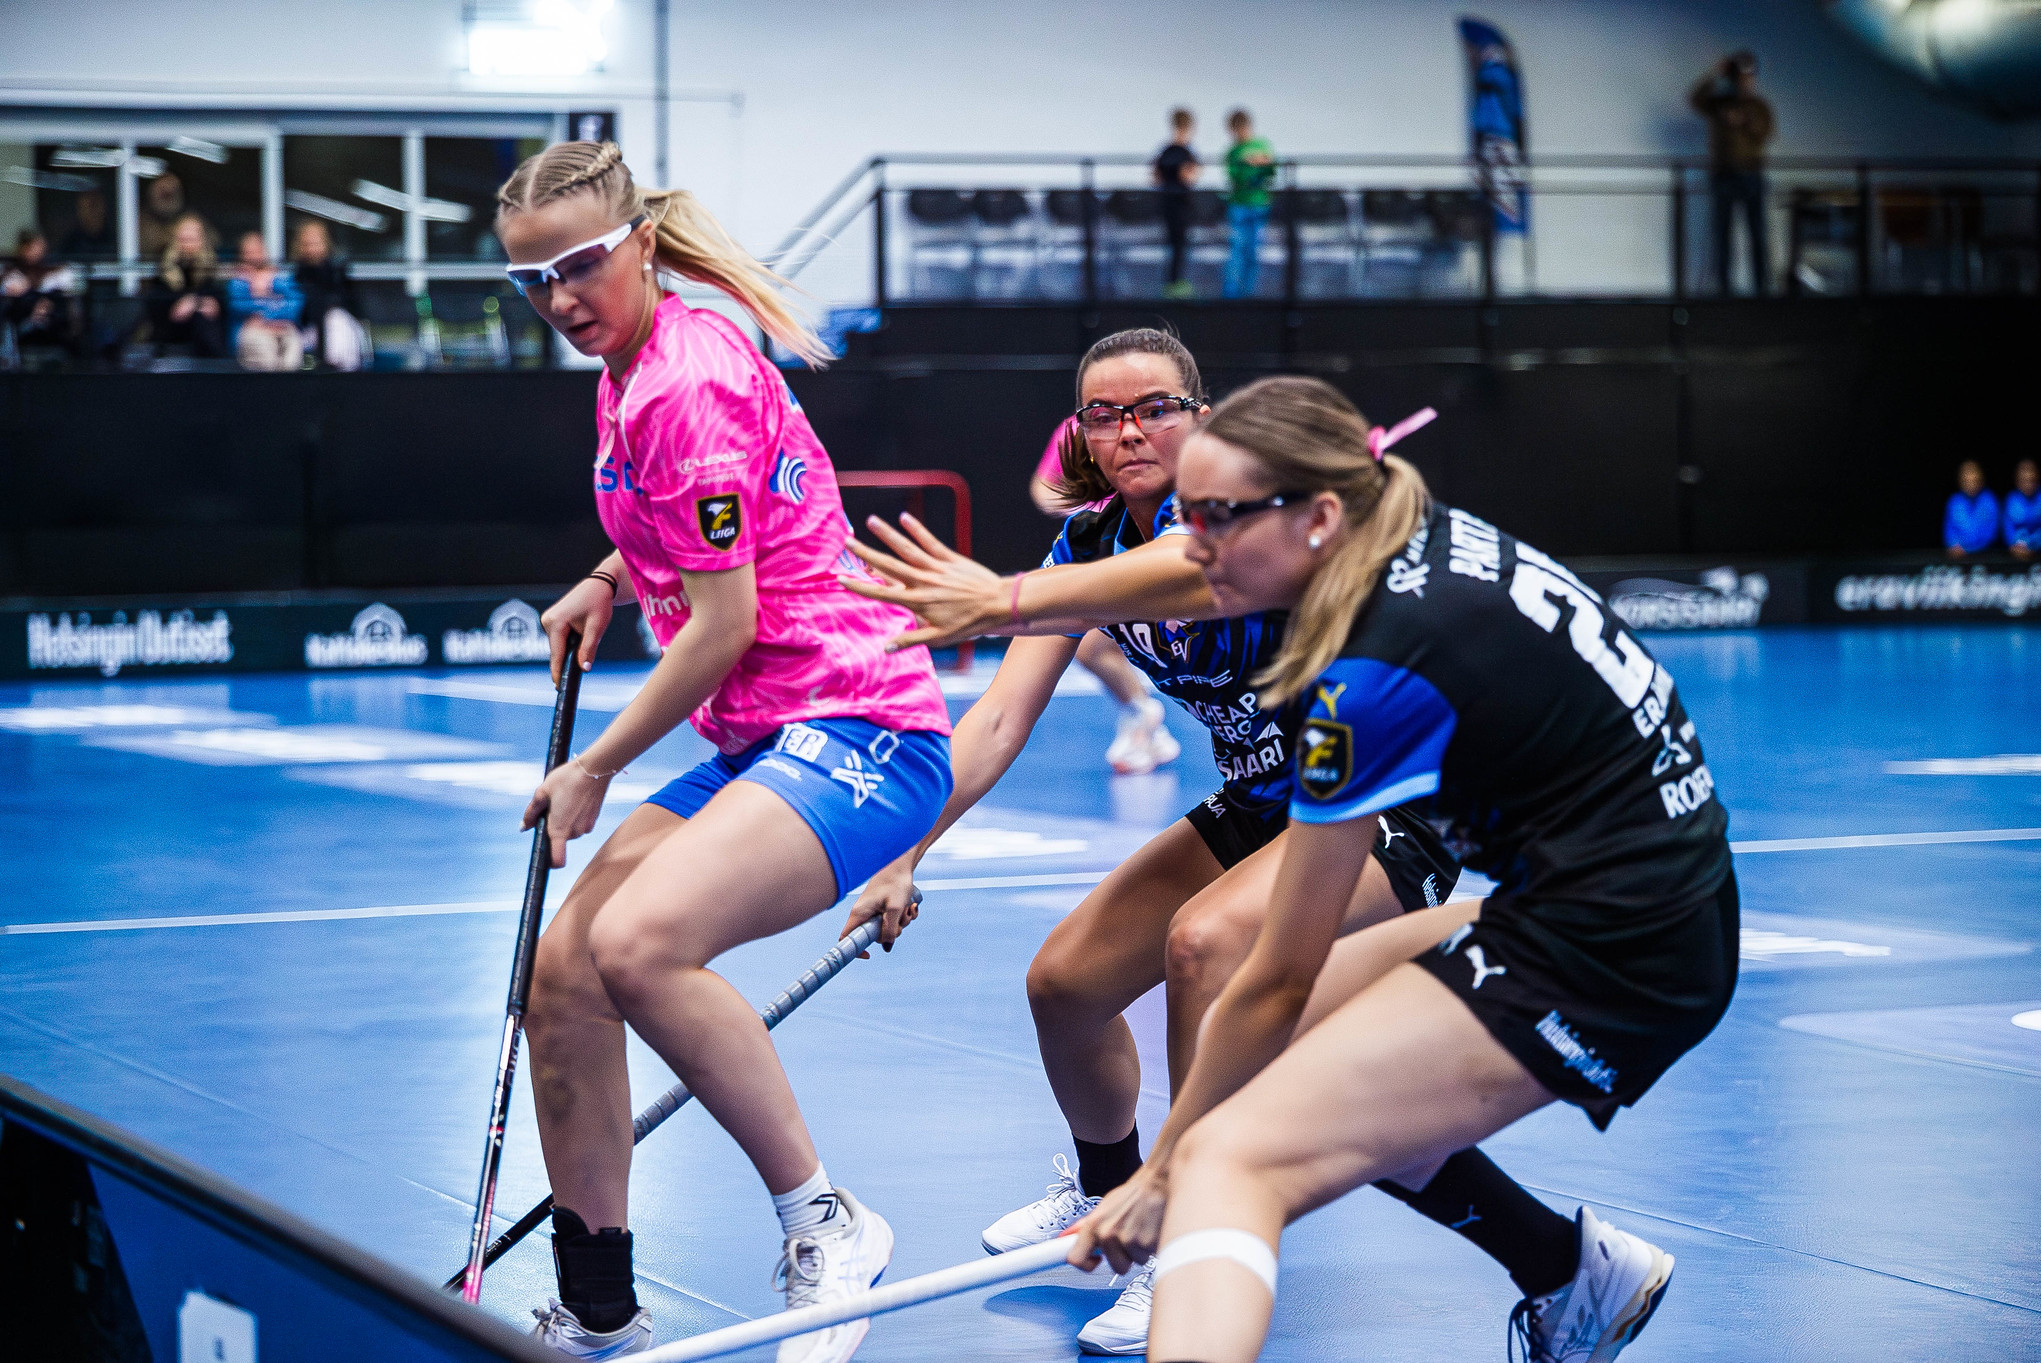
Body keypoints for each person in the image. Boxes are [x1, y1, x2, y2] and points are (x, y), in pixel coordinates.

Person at [841, 339, 1587, 1359]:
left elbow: (1189, 574)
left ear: (1201, 416)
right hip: (1260, 802)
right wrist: (907, 851)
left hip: (1383, 810)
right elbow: (1001, 716)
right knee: (1063, 982)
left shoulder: (1238, 528)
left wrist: (1003, 596)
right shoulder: (1088, 546)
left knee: (1207, 945)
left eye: (1153, 407)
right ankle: (1108, 1193)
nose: (1129, 430)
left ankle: (1186, 1233)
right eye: (1103, 415)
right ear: (1080, 436)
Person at [1034, 376, 1734, 1363]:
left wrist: (1166, 1177)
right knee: (1283, 1069)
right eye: (1188, 518)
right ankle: (1566, 1269)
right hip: (1600, 894)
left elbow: (1275, 975)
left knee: (1229, 1159)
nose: (1192, 551)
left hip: (1622, 944)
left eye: (1219, 521)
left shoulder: (1367, 674)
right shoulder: (1412, 539)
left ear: (1318, 516)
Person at [495, 140, 954, 1363]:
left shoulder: (676, 379)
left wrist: (594, 765)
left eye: (579, 266)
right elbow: (708, 520)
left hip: (861, 725)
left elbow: (722, 624)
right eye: (532, 280)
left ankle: (827, 1223)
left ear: (639, 242)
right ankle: (598, 1302)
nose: (558, 299)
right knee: (563, 973)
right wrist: (608, 576)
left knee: (639, 944)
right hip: (766, 735)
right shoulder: (637, 360)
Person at [1030, 416, 1182, 774]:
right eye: (1103, 419)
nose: (1128, 437)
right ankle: (1142, 714)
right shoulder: (1082, 538)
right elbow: (1043, 489)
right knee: (1091, 648)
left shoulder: (1194, 535)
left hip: (1152, 566)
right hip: (1104, 564)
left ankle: (1143, 715)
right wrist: (1086, 508)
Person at [1690, 52, 1775, 296]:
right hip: (1724, 175)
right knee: (1722, 235)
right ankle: (1724, 289)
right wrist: (1715, 74)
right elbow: (1695, 100)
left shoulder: (1759, 106)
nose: (1745, 82)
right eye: (1740, 77)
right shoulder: (1720, 103)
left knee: (1757, 234)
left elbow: (1764, 132)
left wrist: (1744, 120)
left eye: (1749, 77)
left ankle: (1762, 289)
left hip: (1751, 174)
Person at [143, 214, 228, 359]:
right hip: (171, 326)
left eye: (192, 239)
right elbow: (157, 300)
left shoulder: (210, 265)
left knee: (203, 320)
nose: (187, 245)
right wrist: (179, 306)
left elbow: (215, 296)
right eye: (183, 239)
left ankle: (217, 363)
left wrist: (199, 303)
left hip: (201, 325)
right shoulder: (165, 265)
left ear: (201, 240)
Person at [292, 219, 367, 370]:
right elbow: (298, 312)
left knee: (336, 320)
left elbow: (352, 305)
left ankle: (335, 372)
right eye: (307, 244)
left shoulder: (337, 272)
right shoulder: (295, 275)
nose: (311, 249)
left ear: (325, 243)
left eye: (315, 243)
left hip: (337, 328)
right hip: (305, 330)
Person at [226, 231, 305, 371]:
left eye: (257, 251)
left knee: (292, 356)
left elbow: (294, 305)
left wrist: (268, 316)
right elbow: (238, 306)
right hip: (252, 331)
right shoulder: (238, 281)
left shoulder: (279, 278)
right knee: (267, 361)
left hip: (282, 327)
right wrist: (260, 292)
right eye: (248, 253)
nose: (253, 257)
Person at [1221, 110, 1275, 300]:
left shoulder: (1262, 145)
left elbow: (1271, 171)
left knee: (1253, 251)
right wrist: (1250, 164)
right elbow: (1235, 177)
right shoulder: (1233, 152)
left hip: (1259, 204)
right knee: (1237, 249)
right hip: (1239, 205)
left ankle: (1248, 293)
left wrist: (1260, 164)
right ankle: (1231, 294)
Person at [2, 230, 81, 354]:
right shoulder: (11, 274)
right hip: (23, 329)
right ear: (23, 248)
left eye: (41, 247)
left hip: (54, 328)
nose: (38, 251)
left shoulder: (55, 272)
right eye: (33, 247)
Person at [1153, 109, 1200, 300]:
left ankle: (1172, 282)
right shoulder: (1185, 152)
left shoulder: (1166, 151)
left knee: (1175, 244)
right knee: (1179, 244)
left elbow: (1156, 177)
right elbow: (1189, 177)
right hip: (1179, 203)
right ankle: (1175, 283)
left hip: (1169, 201)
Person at [1945, 459, 2000, 558]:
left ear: (1981, 480)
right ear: (1960, 481)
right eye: (1966, 481)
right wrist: (1953, 544)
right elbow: (1949, 530)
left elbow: (1991, 534)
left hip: (1985, 556)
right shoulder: (1954, 501)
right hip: (1958, 556)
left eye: (1974, 480)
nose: (1971, 485)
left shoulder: (1990, 501)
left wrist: (1968, 549)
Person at [137, 172, 188, 261]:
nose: (169, 199)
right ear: (150, 193)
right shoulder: (136, 222)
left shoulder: (190, 222)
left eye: (173, 193)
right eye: (164, 194)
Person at [2005, 458, 2041, 560]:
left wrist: (2032, 545)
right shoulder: (2011, 499)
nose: (2028, 485)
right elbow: (2008, 527)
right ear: (2017, 481)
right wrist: (2014, 544)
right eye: (2024, 481)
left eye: (2031, 481)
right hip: (2017, 553)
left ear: (2037, 478)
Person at [59, 189, 113, 259]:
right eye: (85, 207)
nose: (92, 212)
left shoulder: (118, 240)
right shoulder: (70, 245)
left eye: (94, 205)